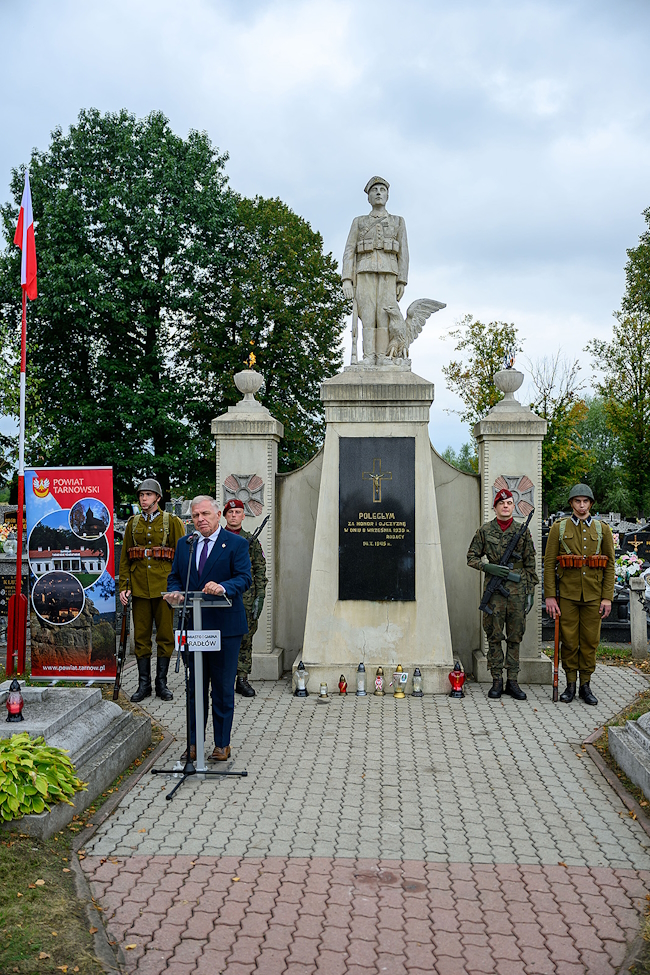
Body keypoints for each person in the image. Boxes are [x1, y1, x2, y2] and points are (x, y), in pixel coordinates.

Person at [164, 495, 251, 761]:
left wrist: (224, 587)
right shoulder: (185, 544)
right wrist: (175, 592)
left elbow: (244, 578)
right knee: (194, 687)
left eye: (205, 514)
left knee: (222, 689)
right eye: (195, 516)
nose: (200, 520)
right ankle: (194, 743)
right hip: (194, 625)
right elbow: (175, 576)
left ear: (217, 515)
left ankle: (222, 744)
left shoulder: (236, 543)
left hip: (225, 628)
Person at [544, 484, 615, 705]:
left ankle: (586, 685)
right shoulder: (559, 527)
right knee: (569, 641)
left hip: (594, 595)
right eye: (577, 501)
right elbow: (548, 564)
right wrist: (550, 596)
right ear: (571, 504)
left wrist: (607, 597)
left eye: (585, 501)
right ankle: (570, 685)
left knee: (590, 642)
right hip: (567, 595)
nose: (582, 505)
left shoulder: (602, 529)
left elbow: (610, 565)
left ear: (591, 503)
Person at [467, 488, 539, 701]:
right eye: (502, 503)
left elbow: (530, 562)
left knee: (515, 637)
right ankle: (497, 679)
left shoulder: (522, 531)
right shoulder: (485, 530)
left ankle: (513, 681)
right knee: (495, 636)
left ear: (513, 506)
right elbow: (471, 557)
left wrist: (531, 591)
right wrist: (489, 568)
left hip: (517, 591)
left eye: (509, 503)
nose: (506, 506)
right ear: (496, 507)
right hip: (495, 591)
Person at [118, 478, 185, 703]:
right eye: (141, 495)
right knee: (141, 638)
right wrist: (124, 586)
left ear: (157, 497)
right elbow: (126, 558)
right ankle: (143, 684)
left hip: (164, 588)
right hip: (139, 588)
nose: (143, 499)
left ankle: (161, 683)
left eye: (148, 495)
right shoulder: (133, 523)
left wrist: (178, 588)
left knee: (165, 636)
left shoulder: (171, 522)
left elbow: (181, 556)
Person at [342, 176, 409, 364]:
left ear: (387, 195)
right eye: (374, 190)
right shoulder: (359, 222)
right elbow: (349, 250)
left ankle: (382, 357)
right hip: (364, 272)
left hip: (390, 272)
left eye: (382, 190)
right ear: (368, 197)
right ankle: (369, 357)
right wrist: (347, 279)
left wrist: (402, 280)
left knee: (385, 315)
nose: (378, 193)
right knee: (368, 314)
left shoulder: (398, 221)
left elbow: (403, 252)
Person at [222, 499, 268, 698]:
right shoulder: (216, 538)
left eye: (238, 512)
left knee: (245, 638)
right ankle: (222, 678)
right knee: (221, 638)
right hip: (221, 596)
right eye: (230, 512)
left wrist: (260, 596)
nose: (234, 515)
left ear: (243, 516)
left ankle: (241, 679)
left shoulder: (251, 541)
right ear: (224, 515)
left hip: (246, 598)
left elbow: (260, 569)